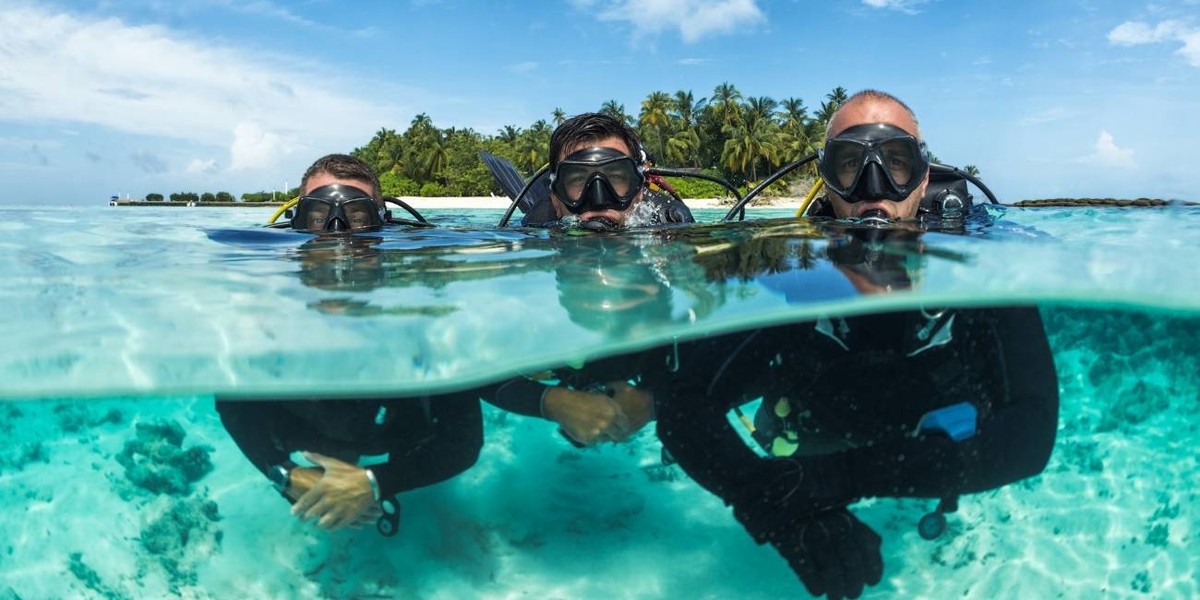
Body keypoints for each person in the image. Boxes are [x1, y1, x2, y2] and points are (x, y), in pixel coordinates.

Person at [646, 91, 1060, 599]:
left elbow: (1031, 433)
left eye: (896, 163)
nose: (873, 189)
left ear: (924, 176)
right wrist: (780, 512)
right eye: (849, 165)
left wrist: (842, 477)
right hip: (810, 436)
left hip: (915, 449)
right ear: (826, 179)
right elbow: (683, 405)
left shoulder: (988, 264)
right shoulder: (788, 271)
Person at [216, 392, 482, 534]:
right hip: (310, 427)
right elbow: (232, 402)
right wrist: (284, 474)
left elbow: (463, 441)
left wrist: (376, 481)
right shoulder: (262, 337)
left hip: (392, 427)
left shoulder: (418, 339)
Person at [519, 112, 694, 230]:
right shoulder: (535, 226)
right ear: (556, 200)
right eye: (578, 179)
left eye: (616, 177)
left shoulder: (671, 224)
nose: (599, 200)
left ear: (639, 191)